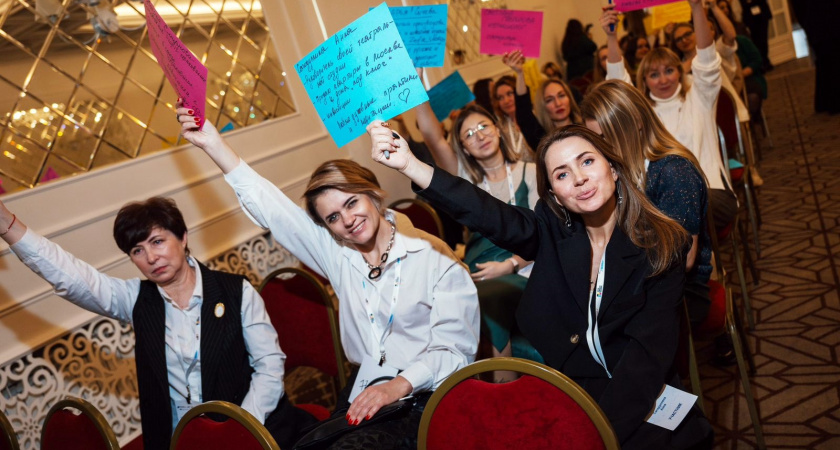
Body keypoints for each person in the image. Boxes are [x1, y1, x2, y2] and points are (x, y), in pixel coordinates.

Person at [369, 123, 713, 449]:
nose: (579, 178)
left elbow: (645, 364)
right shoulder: (553, 232)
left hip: (640, 397)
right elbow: (488, 213)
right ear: (556, 196)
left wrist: (591, 436)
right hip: (571, 389)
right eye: (562, 174)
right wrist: (410, 165)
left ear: (613, 168)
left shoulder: (662, 245)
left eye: (587, 161)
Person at [174, 108, 480, 449]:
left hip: (426, 395)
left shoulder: (434, 257)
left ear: (373, 194)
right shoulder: (339, 253)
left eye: (352, 203)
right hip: (364, 386)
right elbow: (272, 208)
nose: (347, 220)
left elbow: (456, 351)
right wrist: (213, 145)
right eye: (333, 217)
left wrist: (398, 385)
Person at [0, 197, 315, 449]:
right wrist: (7, 224)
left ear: (183, 237)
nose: (151, 257)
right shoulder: (136, 299)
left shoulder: (235, 292)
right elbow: (72, 277)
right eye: (138, 250)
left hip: (252, 431)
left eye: (157, 241)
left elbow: (269, 366)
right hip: (178, 440)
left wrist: (242, 427)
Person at [414, 97, 538, 381]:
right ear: (464, 148)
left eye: (483, 126)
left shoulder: (530, 172)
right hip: (478, 268)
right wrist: (415, 84)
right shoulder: (465, 181)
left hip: (524, 264)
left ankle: (502, 393)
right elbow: (432, 136)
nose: (479, 136)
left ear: (497, 129)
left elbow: (543, 234)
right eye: (469, 134)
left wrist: (510, 265)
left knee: (490, 297)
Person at [581, 79, 712, 327]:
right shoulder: (619, 169)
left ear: (637, 122)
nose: (602, 148)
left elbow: (684, 260)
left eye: (608, 136)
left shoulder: (672, 171)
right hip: (639, 280)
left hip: (681, 291)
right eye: (596, 140)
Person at [602, 0, 738, 232]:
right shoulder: (640, 113)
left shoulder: (700, 97)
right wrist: (611, 37)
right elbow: (617, 84)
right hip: (661, 204)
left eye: (669, 71)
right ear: (644, 80)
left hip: (710, 193)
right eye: (654, 74)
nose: (663, 80)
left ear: (680, 71)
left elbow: (707, 60)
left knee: (666, 214)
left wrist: (697, 8)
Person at [503, 50, 583, 153]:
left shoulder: (587, 125)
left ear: (570, 98)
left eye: (561, 96)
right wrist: (519, 73)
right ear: (542, 106)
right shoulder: (542, 140)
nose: (558, 103)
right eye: (549, 100)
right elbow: (523, 113)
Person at [491, 75, 531, 160]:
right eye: (500, 98)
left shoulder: (534, 118)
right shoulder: (499, 129)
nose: (506, 101)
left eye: (509, 94)